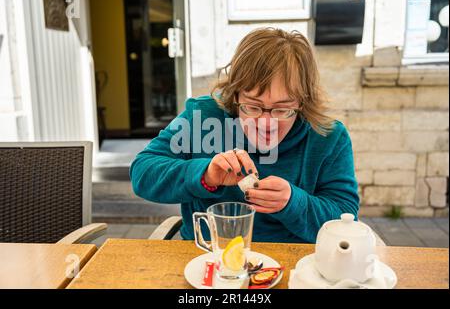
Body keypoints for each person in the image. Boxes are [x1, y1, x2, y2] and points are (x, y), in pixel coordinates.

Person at [130, 28, 359, 243]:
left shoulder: (328, 136)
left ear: (303, 101)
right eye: (253, 107)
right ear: (235, 94)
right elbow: (142, 172)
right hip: (207, 257)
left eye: (282, 110)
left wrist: (293, 202)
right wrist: (205, 175)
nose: (266, 124)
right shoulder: (202, 117)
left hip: (296, 264)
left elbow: (346, 218)